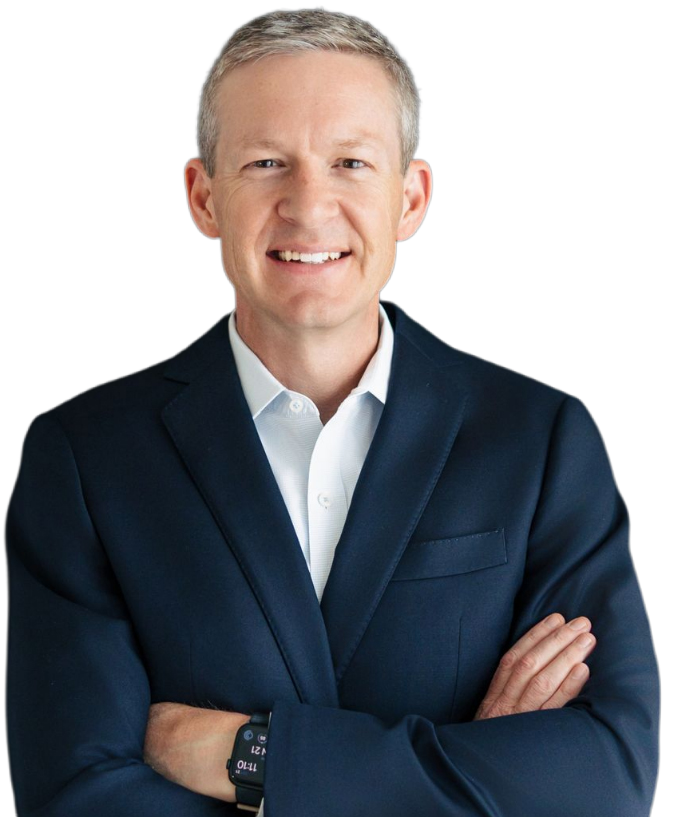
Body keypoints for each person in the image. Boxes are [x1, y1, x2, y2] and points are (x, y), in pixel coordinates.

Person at [4, 8, 660, 816]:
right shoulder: (83, 457)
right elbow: (74, 795)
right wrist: (472, 779)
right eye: (267, 162)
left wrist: (255, 758)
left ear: (410, 198)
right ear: (204, 198)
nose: (308, 206)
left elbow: (606, 777)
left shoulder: (541, 441)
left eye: (350, 162)